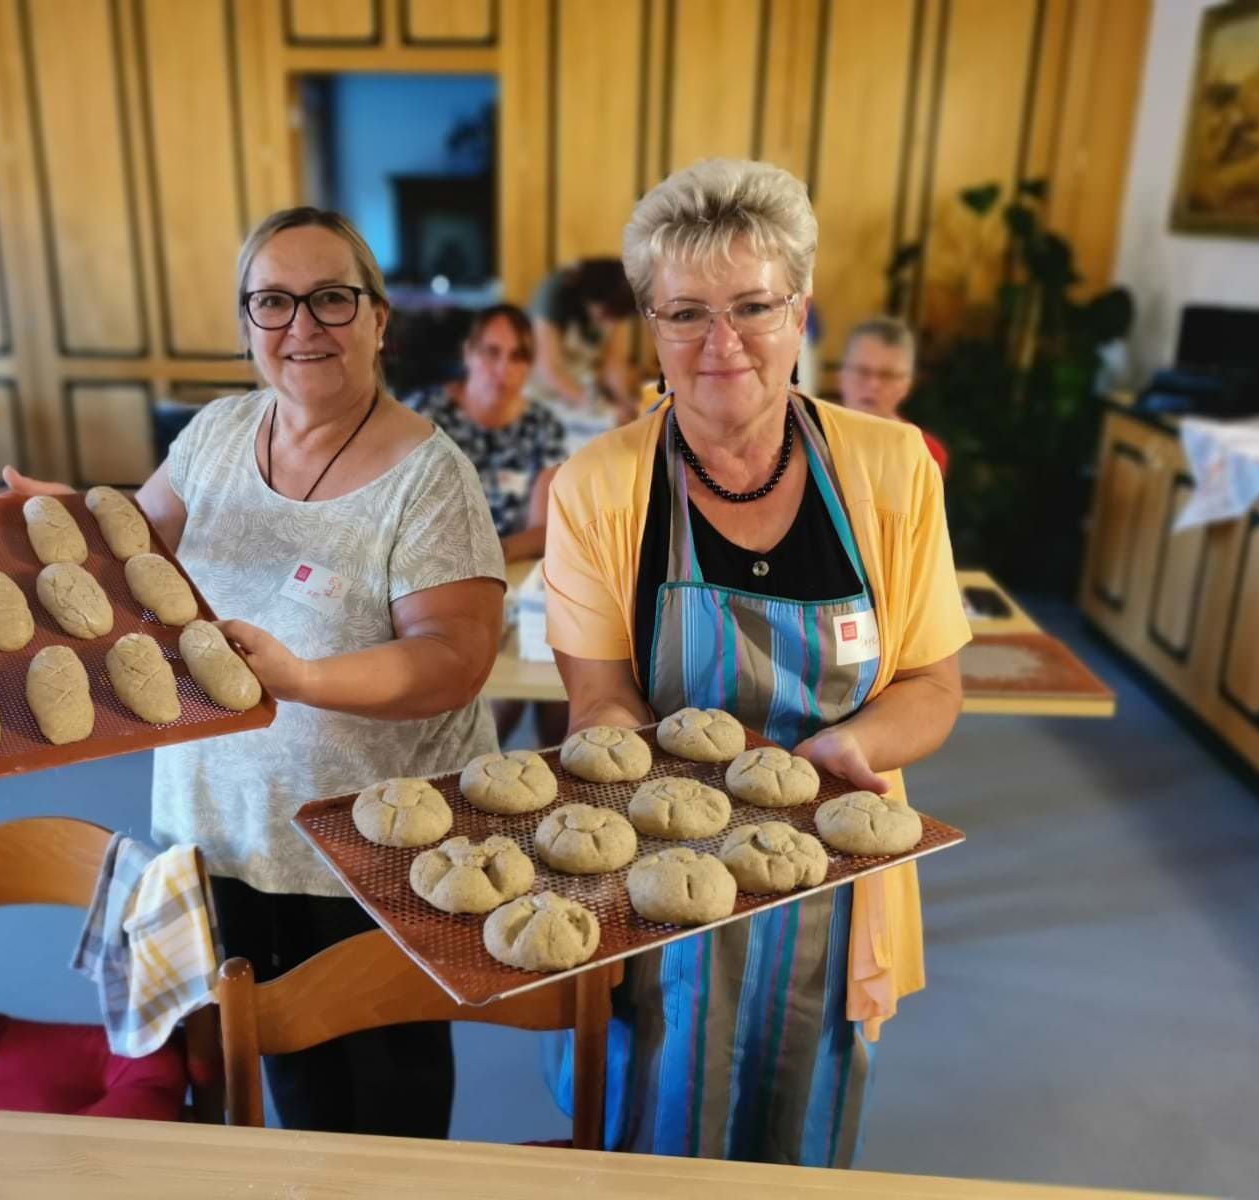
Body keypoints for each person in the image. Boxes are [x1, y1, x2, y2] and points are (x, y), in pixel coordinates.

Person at [3, 206, 505, 1139]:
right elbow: (138, 545)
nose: (302, 327)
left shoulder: (432, 478)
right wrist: (72, 522)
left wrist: (304, 678)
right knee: (285, 1068)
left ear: (379, 318)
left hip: (368, 847)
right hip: (224, 826)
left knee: (392, 1098)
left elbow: (455, 660)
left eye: (330, 299)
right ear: (247, 324)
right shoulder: (220, 433)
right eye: (272, 302)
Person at [541, 159, 969, 1165]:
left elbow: (933, 685)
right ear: (649, 326)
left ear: (802, 315)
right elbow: (598, 698)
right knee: (648, 1110)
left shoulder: (888, 467)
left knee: (798, 1134)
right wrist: (622, 774)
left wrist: (845, 745)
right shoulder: (598, 488)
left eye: (752, 307)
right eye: (684, 311)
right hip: (653, 869)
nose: (720, 343)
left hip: (831, 867)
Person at [404, 304, 565, 563]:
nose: (504, 368)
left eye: (518, 356)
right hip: (424, 568)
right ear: (468, 353)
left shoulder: (543, 427)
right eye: (492, 352)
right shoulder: (422, 415)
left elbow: (543, 529)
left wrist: (485, 557)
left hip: (507, 571)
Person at [527, 257, 639, 450]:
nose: (608, 323)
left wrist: (625, 401)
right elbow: (549, 369)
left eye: (615, 317)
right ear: (588, 298)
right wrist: (598, 406)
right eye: (605, 314)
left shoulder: (618, 303)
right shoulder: (554, 295)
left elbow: (614, 363)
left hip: (582, 386)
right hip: (543, 389)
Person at [836, 316, 949, 476]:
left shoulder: (926, 454)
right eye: (862, 371)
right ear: (842, 375)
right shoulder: (807, 439)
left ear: (907, 384)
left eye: (887, 375)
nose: (873, 384)